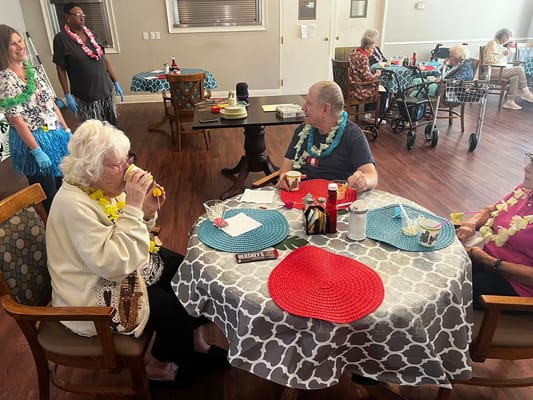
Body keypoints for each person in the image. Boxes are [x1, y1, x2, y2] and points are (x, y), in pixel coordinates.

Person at [46, 120, 226, 383]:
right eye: (119, 164)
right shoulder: (74, 204)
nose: (129, 168)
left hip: (124, 266)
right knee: (175, 309)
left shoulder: (103, 187)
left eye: (127, 158)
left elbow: (129, 235)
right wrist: (133, 206)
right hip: (94, 292)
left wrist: (146, 212)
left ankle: (195, 344)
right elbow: (114, 263)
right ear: (91, 169)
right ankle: (158, 366)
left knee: (193, 273)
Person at [0, 24, 71, 213]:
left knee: (65, 187)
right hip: (34, 140)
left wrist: (66, 130)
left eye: (20, 41)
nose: (20, 46)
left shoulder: (34, 71)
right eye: (12, 44)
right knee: (48, 193)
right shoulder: (5, 79)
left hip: (55, 135)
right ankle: (53, 231)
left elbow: (52, 104)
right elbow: (16, 119)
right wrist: (36, 151)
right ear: (3, 50)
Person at [455, 152, 533, 310]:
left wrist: (489, 261)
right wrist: (472, 223)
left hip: (516, 286)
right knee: (439, 262)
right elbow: (492, 210)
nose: (526, 168)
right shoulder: (525, 191)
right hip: (483, 258)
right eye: (530, 161)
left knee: (449, 289)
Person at [276, 81, 378, 193]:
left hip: (335, 200)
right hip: (300, 197)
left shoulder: (353, 135)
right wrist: (284, 178)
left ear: (326, 109)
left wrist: (363, 181)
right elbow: (286, 168)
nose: (303, 108)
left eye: (309, 104)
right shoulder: (302, 131)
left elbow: (372, 176)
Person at [53, 2, 124, 125]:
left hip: (104, 88)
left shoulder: (93, 35)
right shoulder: (61, 39)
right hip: (84, 93)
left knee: (111, 125)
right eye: (77, 14)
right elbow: (60, 69)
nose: (82, 18)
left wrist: (115, 81)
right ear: (67, 17)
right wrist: (67, 94)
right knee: (91, 129)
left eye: (83, 15)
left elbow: (104, 59)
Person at [483, 28, 533, 110]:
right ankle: (526, 92)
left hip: (500, 70)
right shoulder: (492, 43)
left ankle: (509, 101)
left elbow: (501, 60)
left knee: (515, 76)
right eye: (506, 37)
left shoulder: (500, 46)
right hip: (492, 71)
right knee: (519, 68)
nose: (506, 39)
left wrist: (507, 50)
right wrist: (502, 53)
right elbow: (488, 60)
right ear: (501, 35)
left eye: (508, 38)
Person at [348, 35, 387, 119]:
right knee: (383, 91)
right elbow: (368, 77)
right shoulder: (363, 58)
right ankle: (375, 117)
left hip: (349, 87)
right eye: (372, 48)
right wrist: (376, 75)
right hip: (358, 90)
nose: (373, 51)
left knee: (375, 86)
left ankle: (367, 114)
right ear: (366, 48)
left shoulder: (353, 54)